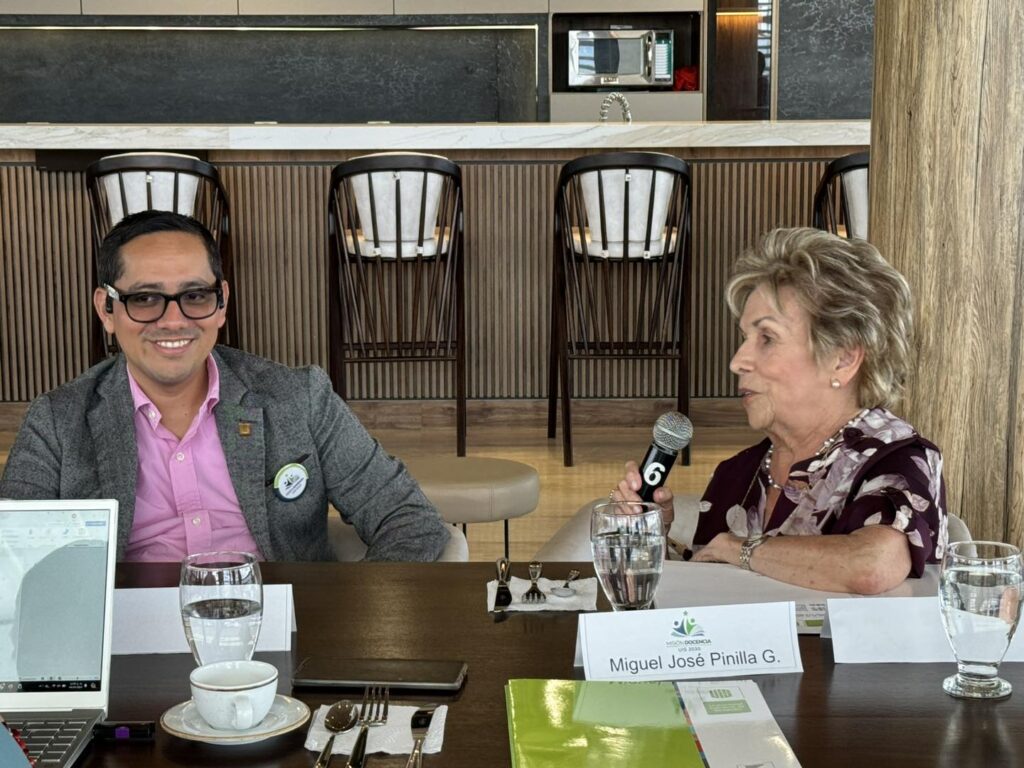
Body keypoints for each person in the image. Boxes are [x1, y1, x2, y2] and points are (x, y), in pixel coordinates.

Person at [0, 210, 450, 563]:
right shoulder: (58, 421)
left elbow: (409, 519)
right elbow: (11, 559)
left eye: (195, 296)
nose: (173, 320)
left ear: (222, 304)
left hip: (286, 644)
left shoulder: (298, 398)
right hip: (126, 652)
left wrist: (347, 624)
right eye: (144, 299)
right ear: (106, 309)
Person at [615, 228, 947, 595]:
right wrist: (654, 535)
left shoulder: (898, 460)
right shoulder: (738, 474)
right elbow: (711, 600)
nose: (737, 361)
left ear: (844, 358)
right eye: (744, 338)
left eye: (767, 338)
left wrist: (740, 549)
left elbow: (871, 565)